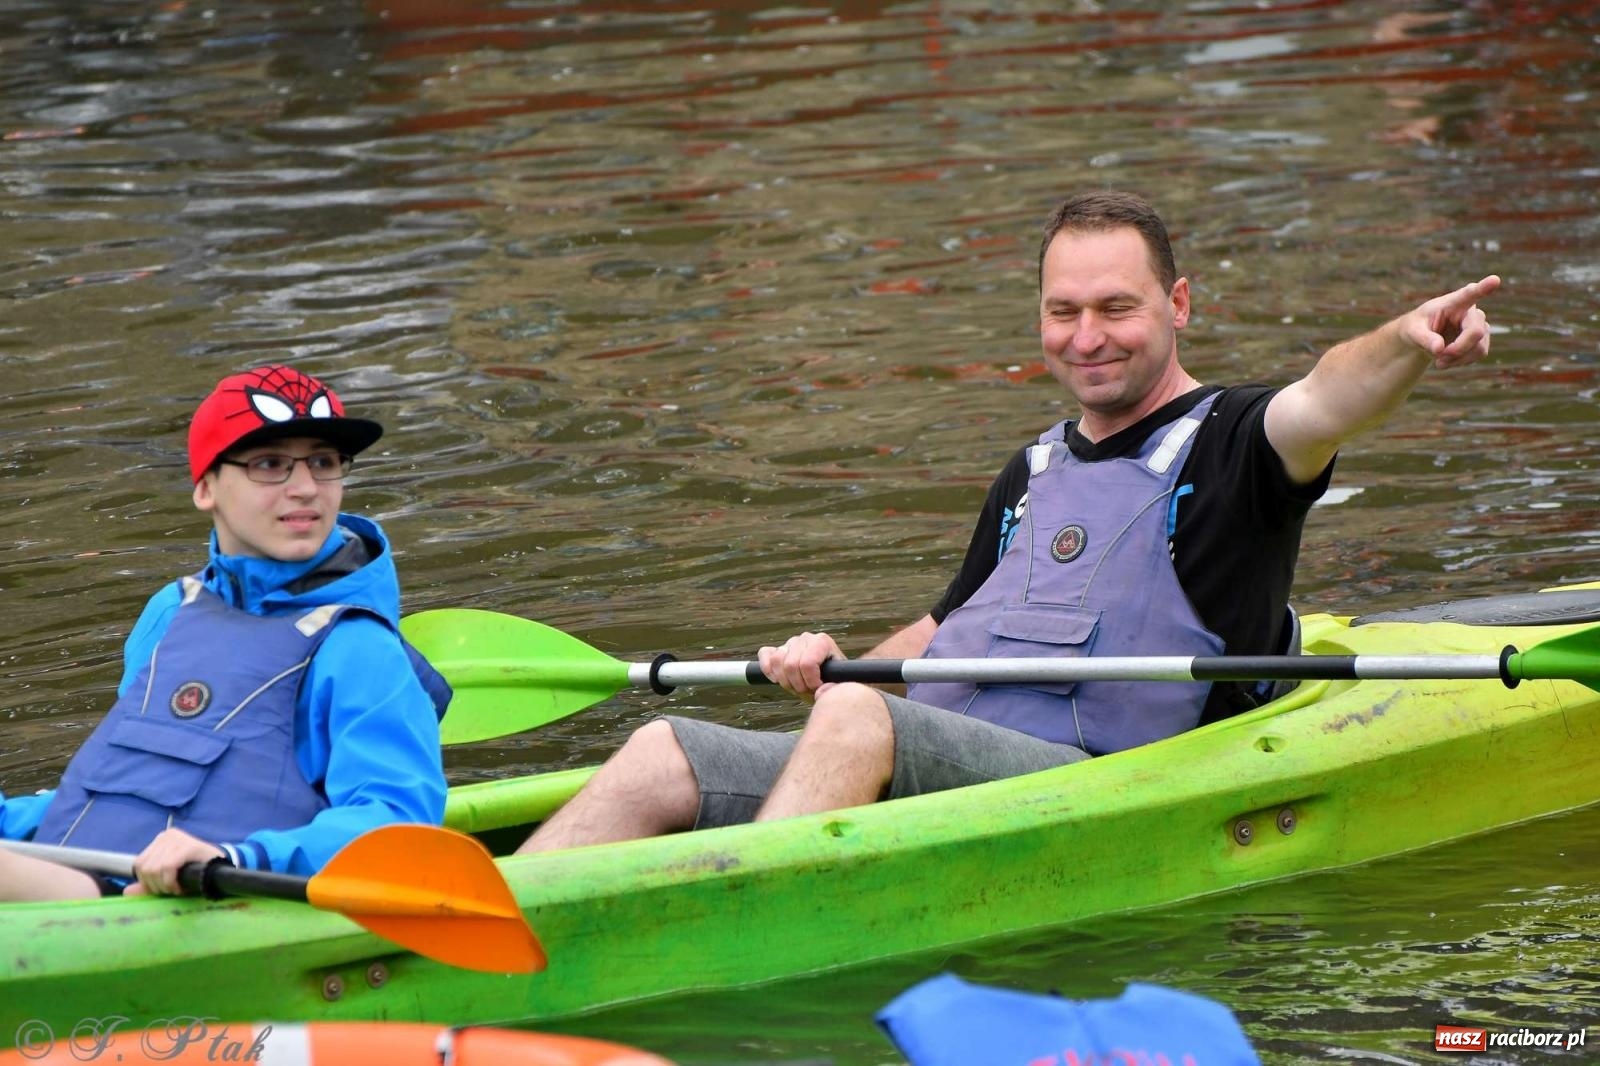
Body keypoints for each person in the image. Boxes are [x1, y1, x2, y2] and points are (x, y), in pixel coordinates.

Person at [517, 190, 1498, 854]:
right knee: (667, 747)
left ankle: (727, 920)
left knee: (856, 716)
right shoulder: (1032, 469)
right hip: (954, 748)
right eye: (1062, 310)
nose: (1087, 337)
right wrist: (833, 661)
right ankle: (474, 930)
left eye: (1116, 306)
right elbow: (948, 634)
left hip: (1114, 783)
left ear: (1180, 304)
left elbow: (1330, 397)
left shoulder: (1238, 443)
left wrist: (1405, 343)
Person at [0, 365, 451, 899]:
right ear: (206, 488)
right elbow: (121, 787)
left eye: (324, 463)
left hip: (196, 900)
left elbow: (399, 824)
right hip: (94, 881)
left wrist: (234, 858)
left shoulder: (359, 648)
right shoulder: (171, 613)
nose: (305, 488)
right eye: (270, 464)